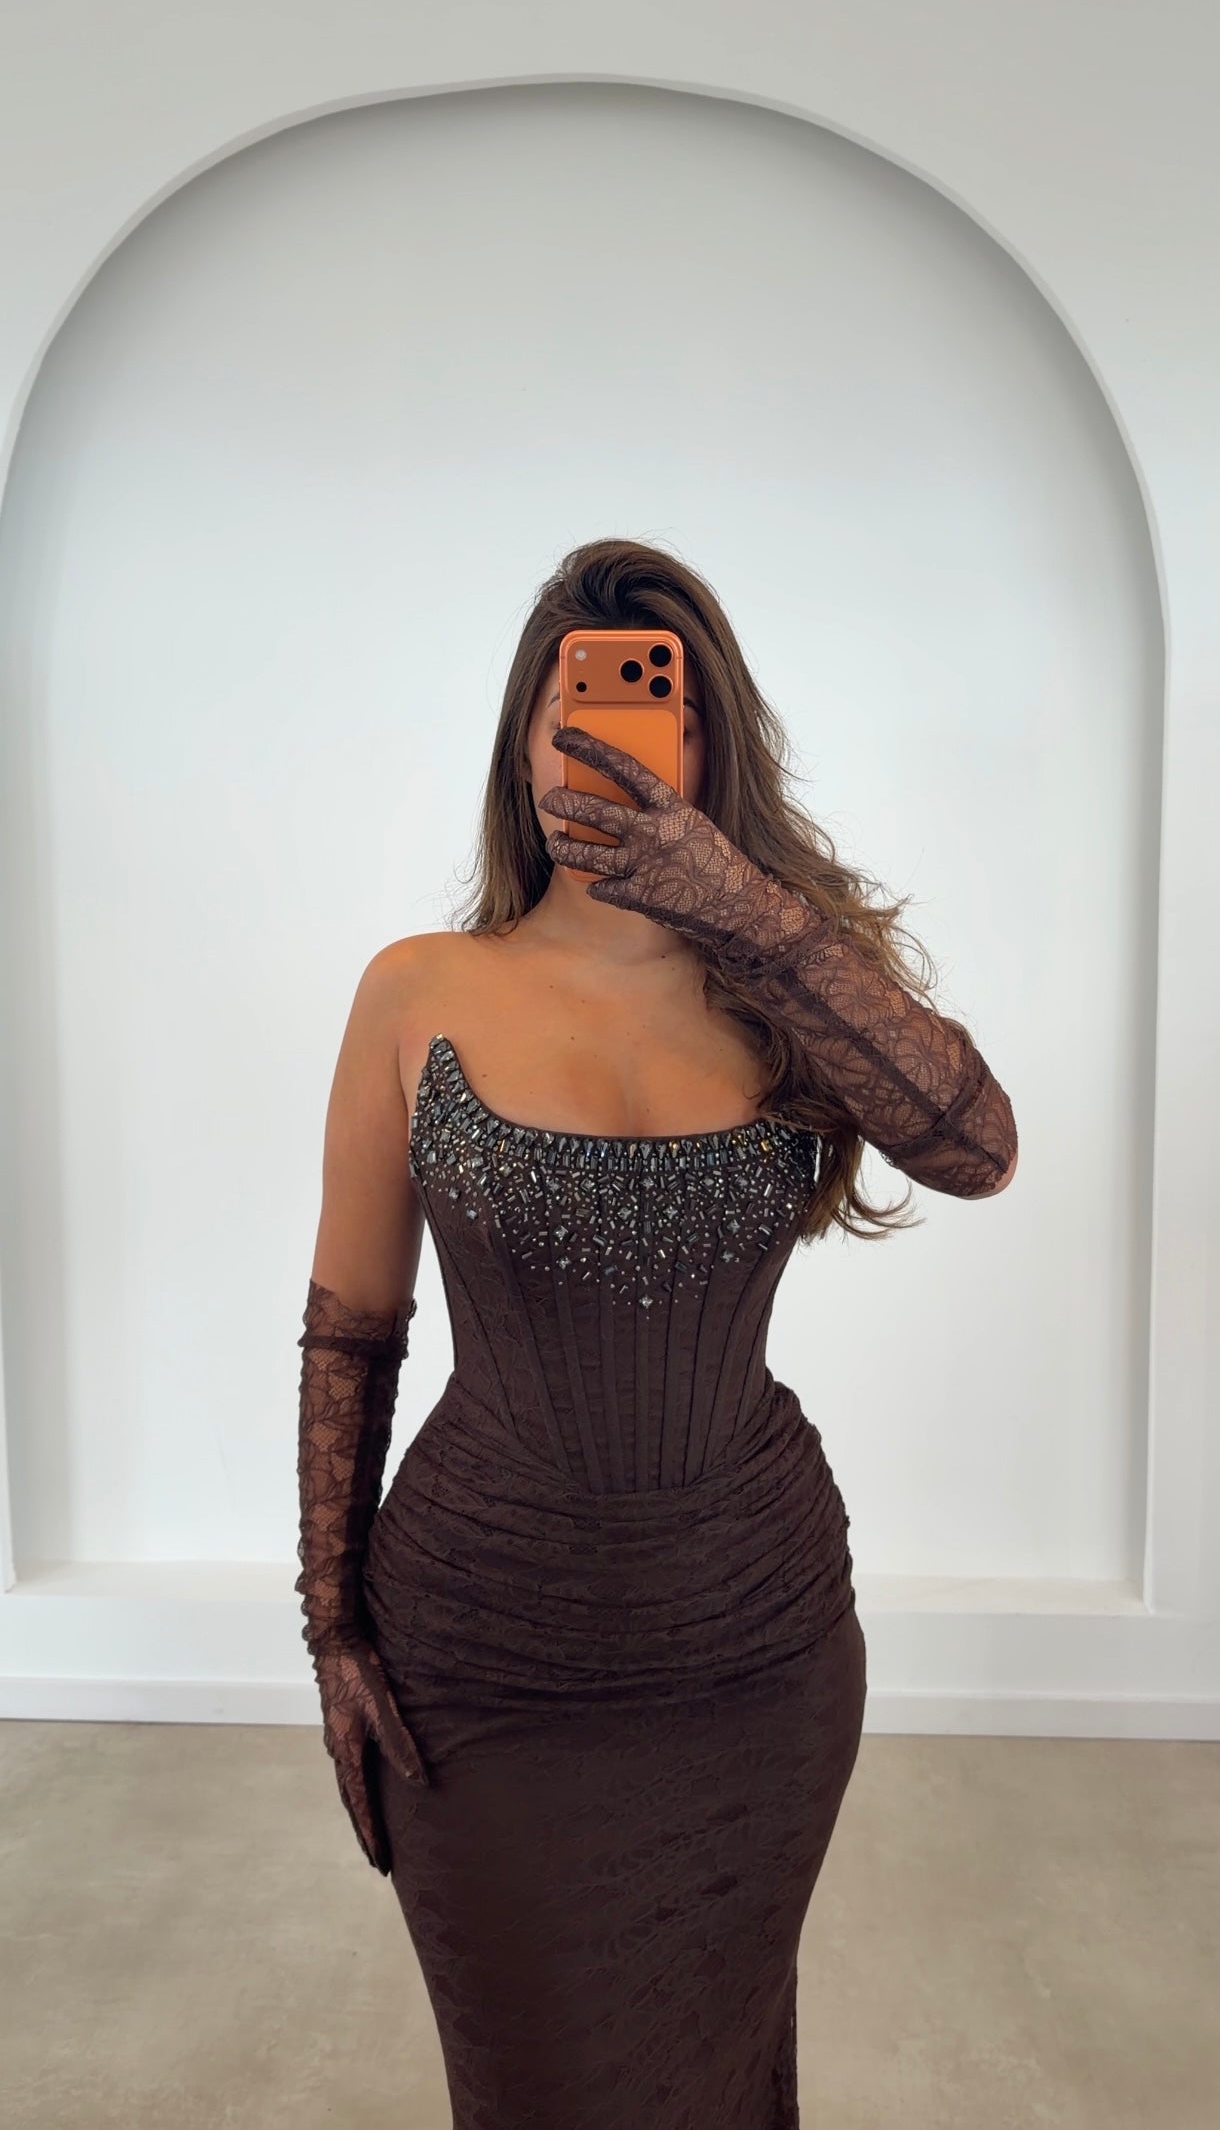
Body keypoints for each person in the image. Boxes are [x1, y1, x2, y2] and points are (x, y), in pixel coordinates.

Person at [294, 538, 1017, 2128]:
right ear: (519, 745)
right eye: (569, 710)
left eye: (650, 707)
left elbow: (975, 1150)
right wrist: (331, 1630)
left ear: (706, 746)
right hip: (480, 1656)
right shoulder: (417, 989)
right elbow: (353, 1330)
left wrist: (751, 917)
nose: (605, 741)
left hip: (755, 1648)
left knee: (720, 2077)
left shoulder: (791, 989)